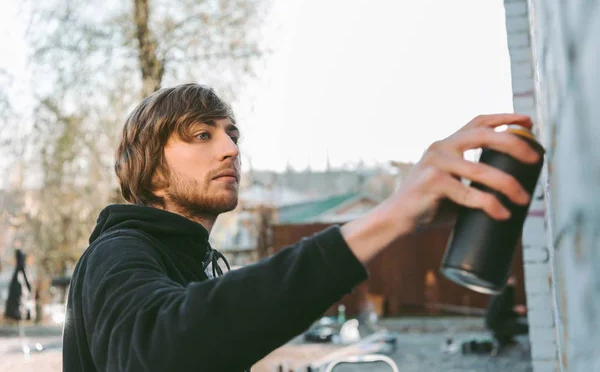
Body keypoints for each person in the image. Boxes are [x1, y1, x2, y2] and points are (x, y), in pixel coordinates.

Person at [62, 83, 540, 371]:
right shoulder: (118, 252)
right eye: (202, 135)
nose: (230, 148)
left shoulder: (190, 261)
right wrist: (391, 214)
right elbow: (161, 352)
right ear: (150, 167)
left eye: (232, 134)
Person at [485, 276, 529, 349]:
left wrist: (515, 310)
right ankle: (503, 339)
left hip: (496, 322)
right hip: (497, 323)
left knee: (516, 326)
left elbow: (504, 310)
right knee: (524, 328)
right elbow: (504, 311)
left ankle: (504, 340)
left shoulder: (504, 290)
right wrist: (515, 311)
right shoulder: (506, 291)